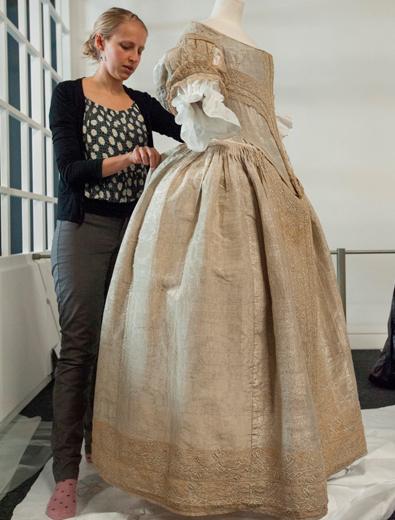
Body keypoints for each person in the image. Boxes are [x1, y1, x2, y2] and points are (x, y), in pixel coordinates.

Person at [92, 1, 367, 519]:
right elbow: (202, 128)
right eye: (124, 46)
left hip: (273, 190)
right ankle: (202, 459)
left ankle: (272, 453)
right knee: (210, 331)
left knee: (269, 329)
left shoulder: (240, 37)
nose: (131, 54)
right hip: (221, 190)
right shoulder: (198, 41)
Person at [46, 7, 181, 520]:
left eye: (141, 50)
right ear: (100, 42)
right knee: (79, 346)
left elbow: (193, 132)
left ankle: (101, 447)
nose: (134, 58)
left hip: (134, 234)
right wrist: (131, 158)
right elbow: (69, 170)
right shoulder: (69, 94)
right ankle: (65, 477)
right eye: (126, 46)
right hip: (82, 229)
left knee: (121, 348)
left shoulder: (144, 105)